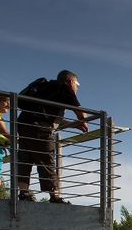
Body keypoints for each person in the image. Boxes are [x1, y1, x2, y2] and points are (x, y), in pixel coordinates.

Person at [17, 70, 88, 204]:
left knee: (25, 159)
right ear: (71, 81)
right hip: (41, 129)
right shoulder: (65, 89)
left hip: (23, 124)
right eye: (77, 84)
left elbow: (50, 116)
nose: (77, 88)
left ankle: (24, 193)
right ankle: (54, 197)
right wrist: (83, 122)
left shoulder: (46, 87)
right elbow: (80, 113)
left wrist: (74, 125)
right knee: (47, 159)